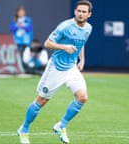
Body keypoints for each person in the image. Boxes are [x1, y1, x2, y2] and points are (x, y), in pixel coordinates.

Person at [17, 0, 93, 144]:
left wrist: (82, 59)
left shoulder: (88, 28)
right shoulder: (65, 26)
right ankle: (24, 129)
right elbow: (47, 43)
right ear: (75, 11)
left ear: (89, 14)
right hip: (56, 68)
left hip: (71, 68)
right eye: (79, 11)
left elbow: (81, 43)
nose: (81, 14)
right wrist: (64, 47)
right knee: (42, 101)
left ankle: (61, 126)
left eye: (84, 12)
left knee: (82, 97)